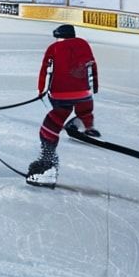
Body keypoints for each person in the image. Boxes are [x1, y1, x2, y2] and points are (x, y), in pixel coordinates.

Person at [27, 24, 99, 187]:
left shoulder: (54, 48)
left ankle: (47, 165)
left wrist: (41, 90)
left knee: (50, 126)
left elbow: (45, 70)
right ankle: (82, 125)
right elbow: (92, 66)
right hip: (84, 94)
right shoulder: (84, 45)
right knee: (85, 111)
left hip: (60, 95)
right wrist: (94, 87)